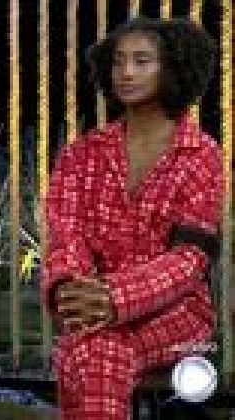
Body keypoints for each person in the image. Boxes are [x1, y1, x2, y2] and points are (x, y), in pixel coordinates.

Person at [42, 18, 222, 419]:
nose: (126, 72)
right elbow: (64, 237)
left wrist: (115, 297)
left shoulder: (200, 154)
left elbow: (190, 259)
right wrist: (72, 292)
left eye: (142, 61)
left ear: (172, 67)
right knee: (97, 350)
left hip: (177, 314)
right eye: (119, 61)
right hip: (90, 309)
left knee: (92, 352)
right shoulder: (80, 154)